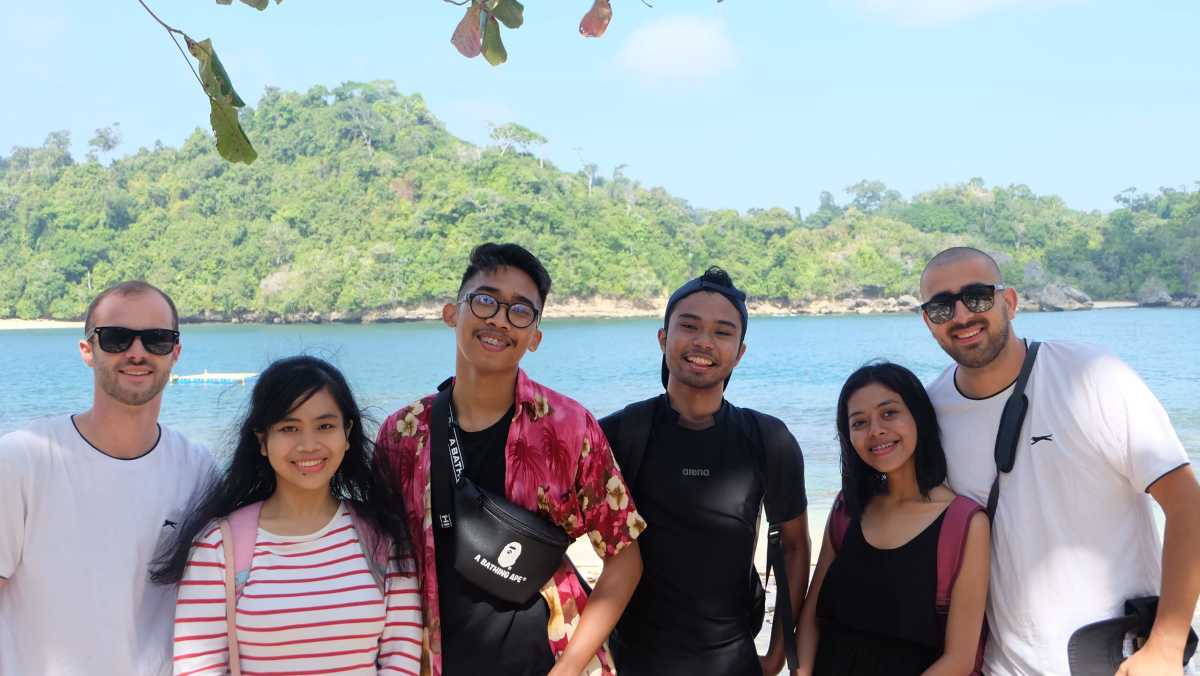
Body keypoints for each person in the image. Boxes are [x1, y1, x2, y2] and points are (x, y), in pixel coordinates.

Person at [920, 246, 1200, 675]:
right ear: (928, 322)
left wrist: (1166, 643)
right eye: (942, 307)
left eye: (976, 297)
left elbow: (1187, 504)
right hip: (1004, 666)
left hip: (1120, 657)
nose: (961, 315)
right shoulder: (929, 414)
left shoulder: (1091, 375)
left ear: (1009, 302)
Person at [375, 242, 645, 676]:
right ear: (452, 313)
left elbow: (624, 558)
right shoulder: (403, 434)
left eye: (520, 311)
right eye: (485, 301)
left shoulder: (569, 427)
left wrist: (570, 666)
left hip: (547, 660)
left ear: (534, 337)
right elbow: (380, 558)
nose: (499, 319)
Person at [600, 266, 810, 675]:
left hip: (732, 658)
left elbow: (795, 546)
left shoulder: (767, 439)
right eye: (689, 326)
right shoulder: (619, 433)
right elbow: (554, 528)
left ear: (740, 352)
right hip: (634, 660)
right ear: (663, 338)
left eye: (722, 332)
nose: (703, 342)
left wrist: (777, 654)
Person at [154, 355, 422, 675]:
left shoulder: (381, 536)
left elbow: (401, 657)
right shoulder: (218, 545)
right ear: (262, 440)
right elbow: (198, 668)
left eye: (325, 426)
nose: (308, 445)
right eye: (289, 428)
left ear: (347, 433)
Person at [0, 281, 216, 676]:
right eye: (116, 338)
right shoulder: (21, 459)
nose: (137, 352)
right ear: (88, 350)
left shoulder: (199, 469)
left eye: (157, 339)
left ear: (175, 352)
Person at [794, 362, 990, 676]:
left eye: (889, 413)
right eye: (859, 422)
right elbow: (812, 616)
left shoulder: (964, 524)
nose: (875, 431)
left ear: (918, 417)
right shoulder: (848, 508)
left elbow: (960, 659)